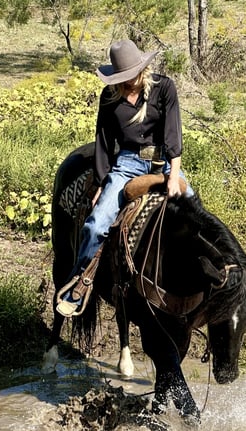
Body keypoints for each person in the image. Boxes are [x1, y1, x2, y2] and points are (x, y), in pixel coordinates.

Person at [56, 39, 195, 317]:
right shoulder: (110, 96)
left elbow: (173, 134)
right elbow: (104, 142)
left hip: (163, 162)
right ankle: (79, 282)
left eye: (129, 75)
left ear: (141, 68)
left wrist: (173, 175)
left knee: (196, 216)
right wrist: (100, 181)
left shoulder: (163, 87)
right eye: (121, 77)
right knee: (96, 226)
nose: (126, 82)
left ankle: (201, 285)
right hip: (127, 164)